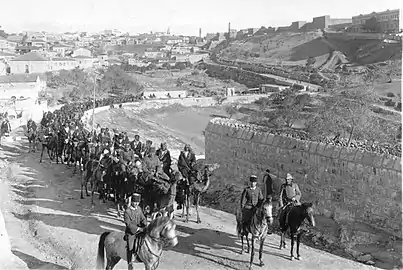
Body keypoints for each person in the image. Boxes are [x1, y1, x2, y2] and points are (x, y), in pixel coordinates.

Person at [124, 193, 147, 270]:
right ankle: (129, 263)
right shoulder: (127, 211)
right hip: (131, 232)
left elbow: (142, 218)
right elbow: (128, 224)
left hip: (140, 229)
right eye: (135, 202)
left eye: (138, 202)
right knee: (130, 247)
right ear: (132, 202)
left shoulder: (139, 209)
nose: (136, 204)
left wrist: (145, 223)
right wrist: (138, 229)